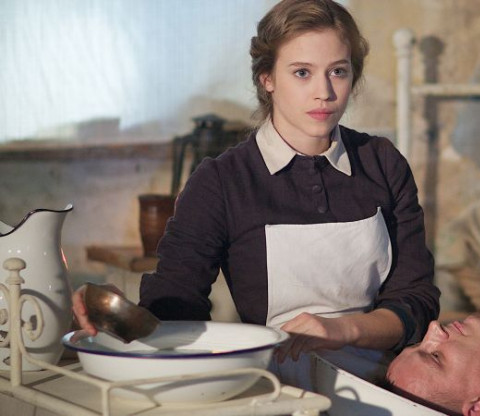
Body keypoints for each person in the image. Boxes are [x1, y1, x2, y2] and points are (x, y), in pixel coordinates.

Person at [72, 0, 439, 389]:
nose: (324, 92)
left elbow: (416, 300)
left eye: (338, 71)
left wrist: (343, 329)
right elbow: (176, 304)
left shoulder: (381, 162)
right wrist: (120, 316)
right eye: (302, 72)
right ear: (267, 78)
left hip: (385, 382)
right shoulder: (222, 181)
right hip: (278, 388)